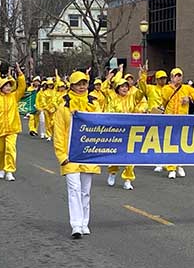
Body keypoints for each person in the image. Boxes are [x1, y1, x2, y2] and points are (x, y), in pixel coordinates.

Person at [53, 71, 101, 239]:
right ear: (71, 86)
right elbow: (58, 133)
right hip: (70, 155)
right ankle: (76, 224)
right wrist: (61, 156)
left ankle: (84, 222)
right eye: (78, 84)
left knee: (85, 191)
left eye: (84, 83)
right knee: (74, 189)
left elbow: (102, 126)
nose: (82, 87)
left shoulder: (94, 104)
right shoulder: (63, 107)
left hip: (88, 154)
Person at [0, 64, 26, 181]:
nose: (8, 87)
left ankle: (9, 170)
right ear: (1, 87)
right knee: (0, 150)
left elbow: (22, 87)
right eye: (6, 85)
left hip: (12, 129)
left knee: (10, 149)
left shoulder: (14, 97)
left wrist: (19, 73)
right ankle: (1, 169)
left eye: (9, 85)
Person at [161, 67, 194, 179]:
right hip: (169, 119)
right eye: (176, 76)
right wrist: (173, 88)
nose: (178, 78)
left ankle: (179, 164)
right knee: (170, 143)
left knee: (181, 143)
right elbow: (165, 97)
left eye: (180, 76)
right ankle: (171, 168)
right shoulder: (166, 88)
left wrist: (189, 98)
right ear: (171, 77)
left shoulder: (186, 88)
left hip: (182, 119)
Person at [104, 76, 146, 190]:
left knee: (131, 156)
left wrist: (142, 77)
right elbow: (109, 115)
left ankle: (128, 179)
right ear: (117, 88)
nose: (124, 88)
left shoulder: (133, 97)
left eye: (126, 86)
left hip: (131, 131)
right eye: (122, 86)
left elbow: (142, 92)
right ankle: (112, 172)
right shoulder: (113, 101)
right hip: (117, 132)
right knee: (115, 154)